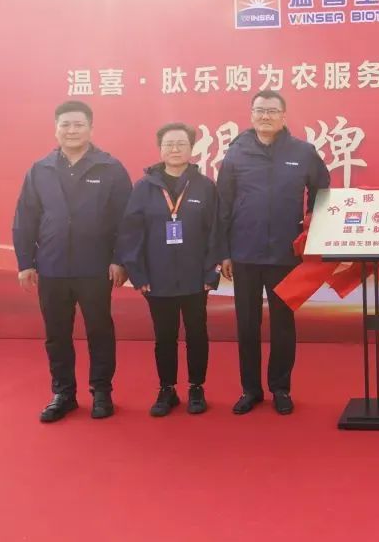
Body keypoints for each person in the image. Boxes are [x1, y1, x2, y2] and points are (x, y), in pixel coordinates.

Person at [12, 100, 132, 422]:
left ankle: (102, 391)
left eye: (78, 124)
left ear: (91, 128)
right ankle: (63, 393)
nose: (72, 130)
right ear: (56, 129)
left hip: (95, 267)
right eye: (65, 124)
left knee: (99, 330)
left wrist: (120, 260)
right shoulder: (40, 170)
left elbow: (126, 220)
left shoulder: (110, 168)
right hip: (51, 267)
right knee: (56, 334)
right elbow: (25, 218)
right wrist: (26, 262)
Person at [215, 91, 331, 415]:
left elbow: (322, 191)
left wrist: (311, 228)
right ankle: (250, 390)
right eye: (260, 110)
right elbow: (223, 203)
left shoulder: (302, 152)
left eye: (272, 111)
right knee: (246, 325)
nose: (265, 116)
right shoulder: (236, 152)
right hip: (245, 252)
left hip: (285, 252)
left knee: (283, 324)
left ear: (284, 115)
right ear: (251, 114)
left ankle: (281, 387)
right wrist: (224, 251)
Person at [118, 123, 220, 417]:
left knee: (197, 333)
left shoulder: (205, 186)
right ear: (160, 149)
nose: (175, 149)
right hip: (157, 278)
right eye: (169, 144)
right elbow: (131, 233)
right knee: (164, 336)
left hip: (195, 278)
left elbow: (215, 232)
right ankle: (167, 389)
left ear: (192, 148)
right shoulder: (144, 187)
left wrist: (210, 273)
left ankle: (197, 387)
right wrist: (138, 275)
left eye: (181, 144)